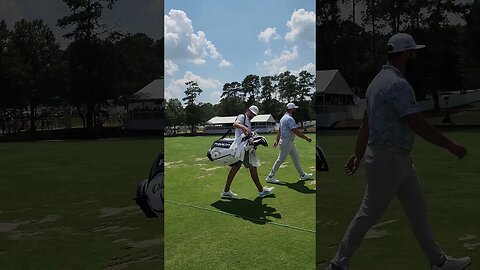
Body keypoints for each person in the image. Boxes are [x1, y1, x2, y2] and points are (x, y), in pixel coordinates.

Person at [327, 33, 471, 270]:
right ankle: (337, 264)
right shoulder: (398, 84)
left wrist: (358, 154)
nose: (415, 56)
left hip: (395, 158)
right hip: (389, 158)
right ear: (406, 54)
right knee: (368, 213)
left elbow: (366, 123)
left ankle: (438, 262)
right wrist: (451, 146)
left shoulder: (376, 83)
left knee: (417, 209)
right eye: (413, 52)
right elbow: (416, 122)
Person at [221, 105, 275, 198]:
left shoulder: (248, 120)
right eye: (252, 113)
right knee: (252, 167)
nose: (252, 115)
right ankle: (261, 191)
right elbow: (235, 124)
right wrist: (244, 128)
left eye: (254, 115)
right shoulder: (242, 117)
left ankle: (226, 191)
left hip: (244, 148)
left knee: (235, 168)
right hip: (242, 148)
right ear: (247, 111)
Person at [266, 102, 313, 184]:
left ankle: (302, 175)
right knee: (280, 159)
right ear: (291, 109)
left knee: (296, 158)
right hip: (287, 142)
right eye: (294, 109)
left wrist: (277, 140)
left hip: (288, 142)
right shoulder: (289, 119)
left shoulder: (283, 118)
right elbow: (295, 131)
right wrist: (306, 138)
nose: (295, 110)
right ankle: (270, 176)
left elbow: (280, 131)